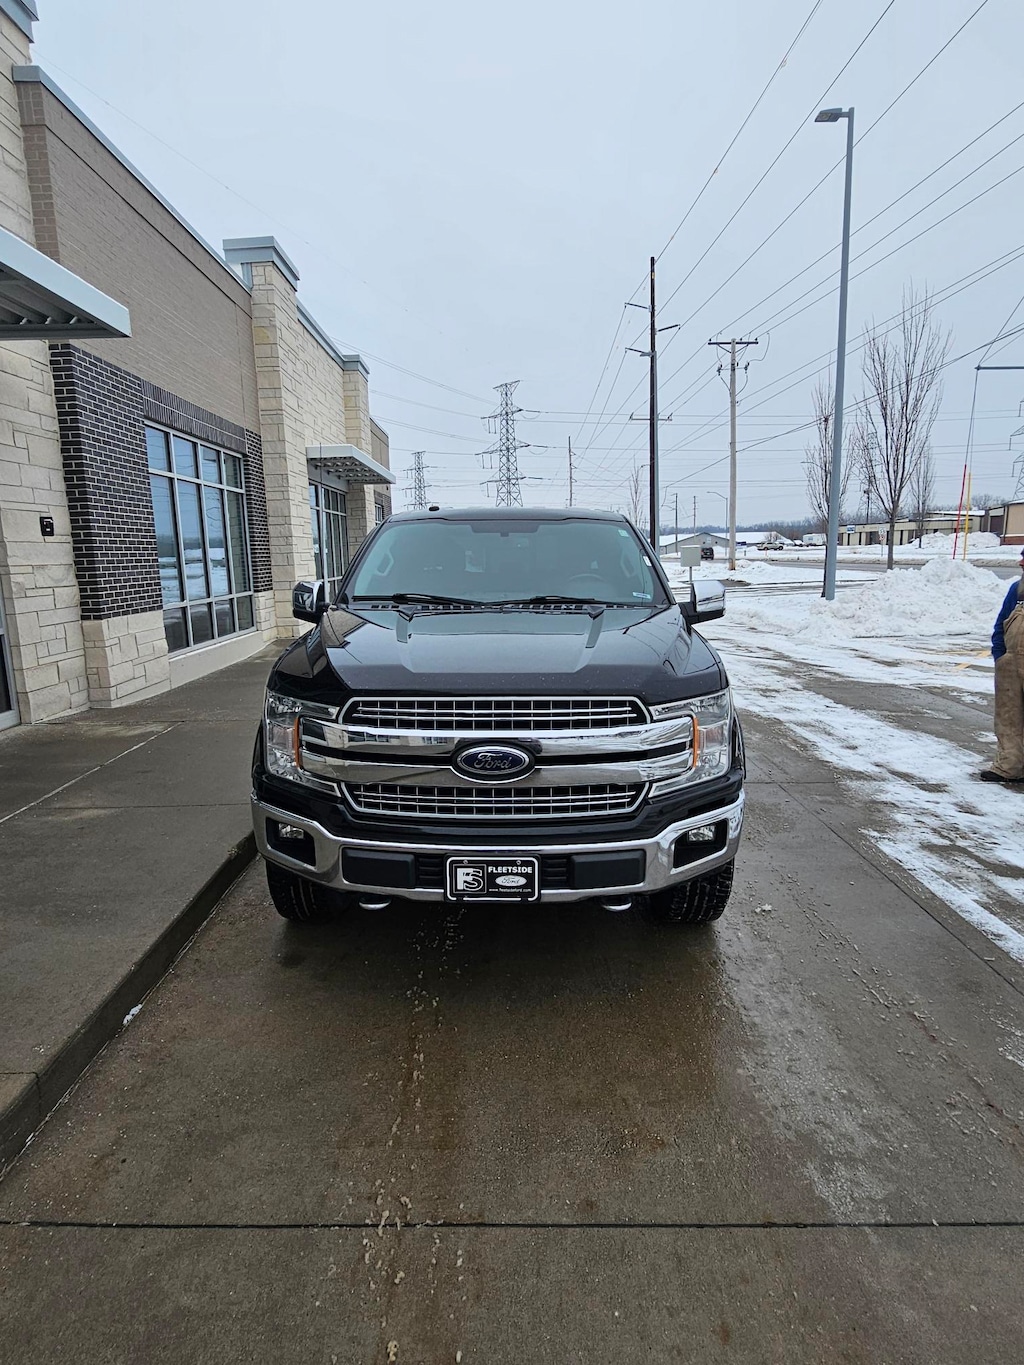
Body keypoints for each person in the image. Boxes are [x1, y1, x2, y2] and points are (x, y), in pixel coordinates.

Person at [980, 546, 1024, 784]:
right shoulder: (1016, 591)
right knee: (1009, 717)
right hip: (1011, 664)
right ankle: (1009, 766)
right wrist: (1000, 655)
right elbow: (1001, 625)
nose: (1020, 563)